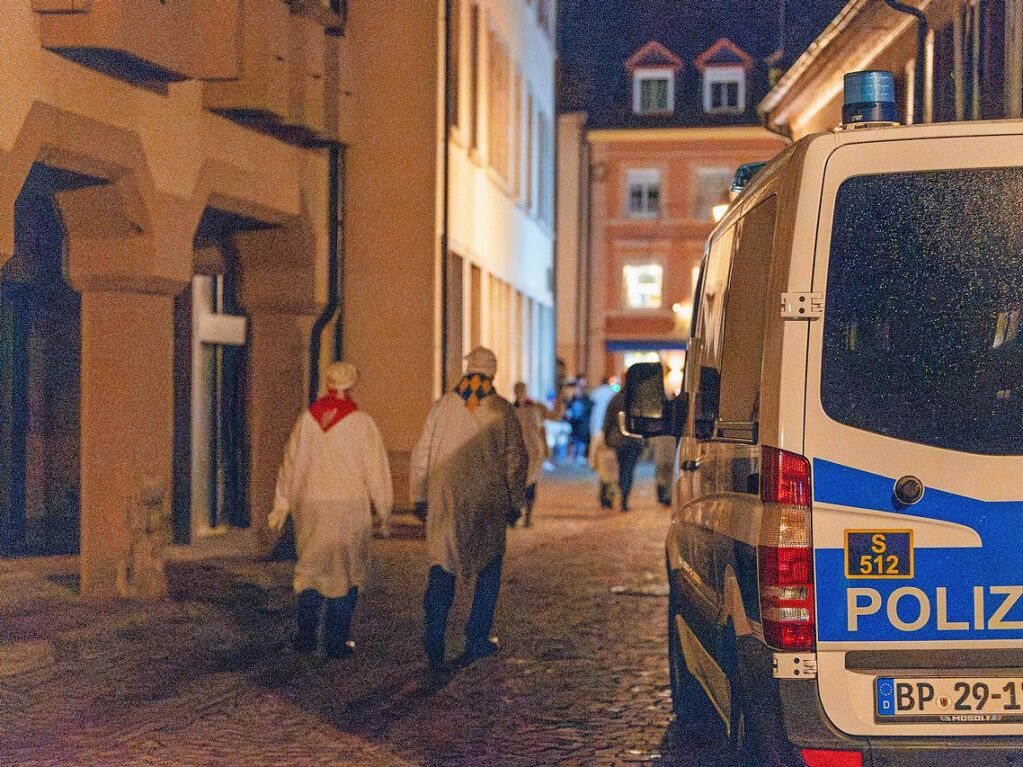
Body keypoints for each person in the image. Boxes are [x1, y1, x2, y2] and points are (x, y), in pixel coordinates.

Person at [411, 347, 528, 670]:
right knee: (488, 567)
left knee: (442, 564)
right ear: (493, 373)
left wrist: (419, 495)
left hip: (445, 497)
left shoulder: (443, 406)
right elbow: (515, 459)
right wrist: (516, 500)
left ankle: (435, 634)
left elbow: (422, 453)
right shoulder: (501, 410)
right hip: (487, 501)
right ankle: (477, 637)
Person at [269, 361, 393, 659]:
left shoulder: (307, 420)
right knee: (346, 571)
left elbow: (290, 464)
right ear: (351, 385)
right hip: (348, 506)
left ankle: (306, 636)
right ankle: (336, 640)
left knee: (311, 569)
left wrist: (282, 505)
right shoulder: (362, 423)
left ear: (327, 384)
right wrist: (384, 510)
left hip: (310, 504)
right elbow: (376, 469)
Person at [603, 389, 646, 512]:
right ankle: (623, 499)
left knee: (614, 471)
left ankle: (611, 498)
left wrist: (607, 439)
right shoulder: (637, 400)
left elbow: (608, 420)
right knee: (627, 471)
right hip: (633, 441)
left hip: (618, 441)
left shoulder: (615, 399)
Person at [513, 381, 548, 527]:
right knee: (530, 482)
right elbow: (541, 429)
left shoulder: (513, 409)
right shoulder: (529, 409)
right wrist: (545, 447)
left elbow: (540, 429)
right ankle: (523, 515)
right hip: (530, 448)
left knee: (522, 481)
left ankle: (520, 515)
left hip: (524, 449)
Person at [587, 376, 619, 507]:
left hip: (598, 435)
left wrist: (592, 462)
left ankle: (604, 498)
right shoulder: (613, 395)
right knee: (612, 476)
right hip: (611, 445)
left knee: (603, 475)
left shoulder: (596, 394)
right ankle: (609, 498)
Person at [565, 378, 593, 464]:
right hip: (574, 424)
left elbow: (589, 410)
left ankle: (580, 456)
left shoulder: (587, 400)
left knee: (582, 441)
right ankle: (572, 457)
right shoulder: (572, 400)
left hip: (583, 424)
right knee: (573, 440)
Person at [651, 435, 676, 507]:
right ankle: (668, 496)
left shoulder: (658, 432)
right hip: (671, 457)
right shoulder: (674, 431)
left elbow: (652, 443)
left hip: (660, 458)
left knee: (661, 477)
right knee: (670, 478)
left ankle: (663, 496)